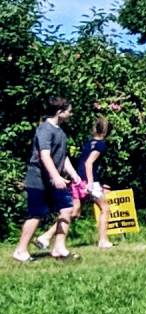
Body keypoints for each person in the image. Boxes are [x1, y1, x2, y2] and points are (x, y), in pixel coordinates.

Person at [13, 97, 83, 262]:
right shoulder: (45, 130)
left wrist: (75, 176)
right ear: (59, 112)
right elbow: (45, 156)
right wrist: (56, 176)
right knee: (36, 215)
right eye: (69, 111)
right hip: (38, 180)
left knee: (67, 209)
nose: (71, 114)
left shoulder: (60, 131)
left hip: (53, 180)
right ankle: (20, 251)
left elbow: (62, 157)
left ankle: (59, 249)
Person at [38, 116, 113, 250]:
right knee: (105, 208)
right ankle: (103, 240)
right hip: (89, 182)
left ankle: (46, 237)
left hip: (78, 180)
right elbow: (89, 163)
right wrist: (90, 183)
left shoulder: (89, 143)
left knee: (74, 212)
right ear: (107, 132)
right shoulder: (101, 145)